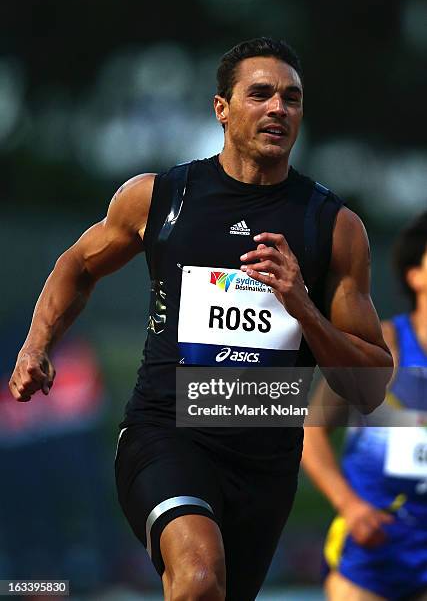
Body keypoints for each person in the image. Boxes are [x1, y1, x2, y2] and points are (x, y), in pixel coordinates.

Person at [9, 37, 392, 600]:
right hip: (166, 435)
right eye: (260, 94)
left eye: (291, 98)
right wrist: (36, 345)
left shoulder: (332, 228)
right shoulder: (161, 198)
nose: (277, 109)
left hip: (265, 458)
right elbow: (77, 264)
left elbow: (370, 385)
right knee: (197, 577)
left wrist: (303, 306)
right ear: (222, 108)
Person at [302, 211, 427, 601]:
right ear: (415, 275)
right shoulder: (383, 347)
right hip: (370, 555)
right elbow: (310, 433)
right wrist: (350, 506)